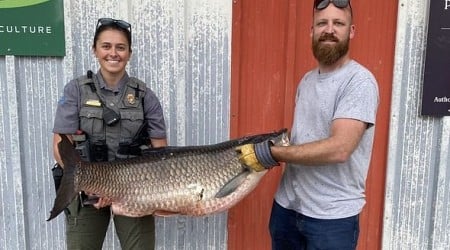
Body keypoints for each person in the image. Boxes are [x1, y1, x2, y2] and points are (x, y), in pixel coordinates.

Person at [237, 0, 379, 249]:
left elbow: (339, 149)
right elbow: (305, 137)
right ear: (311, 31)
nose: (329, 30)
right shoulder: (307, 80)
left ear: (351, 31)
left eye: (338, 23)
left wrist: (271, 153)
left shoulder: (359, 82)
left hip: (331, 220)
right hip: (287, 209)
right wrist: (268, 146)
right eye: (322, 23)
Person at [52, 17, 167, 250]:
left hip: (135, 191)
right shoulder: (76, 90)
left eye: (120, 47)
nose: (113, 53)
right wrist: (93, 186)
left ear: (129, 53)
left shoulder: (145, 96)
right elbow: (59, 146)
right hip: (85, 191)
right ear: (95, 50)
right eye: (106, 46)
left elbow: (161, 153)